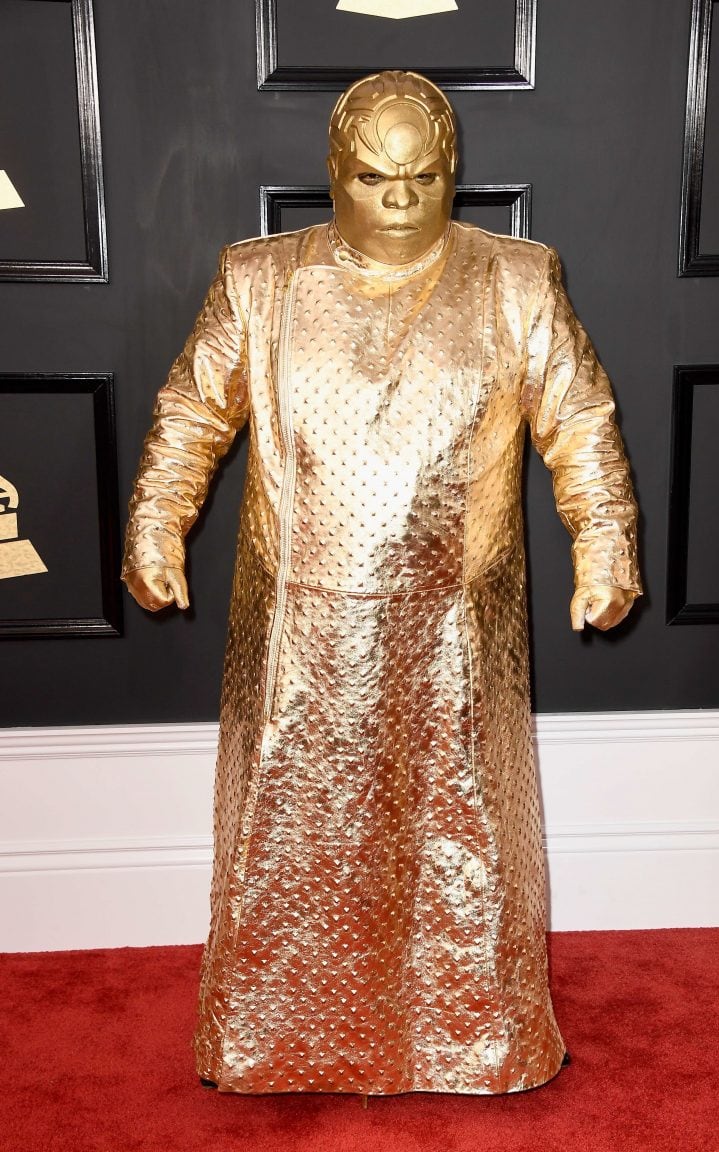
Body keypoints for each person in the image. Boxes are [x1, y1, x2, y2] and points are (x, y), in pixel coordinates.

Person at [123, 70, 641, 1096]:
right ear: (333, 173)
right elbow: (191, 414)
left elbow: (579, 420)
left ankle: (475, 1045)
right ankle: (272, 1046)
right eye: (374, 177)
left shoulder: (516, 279)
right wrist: (154, 523)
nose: (401, 199)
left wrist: (606, 542)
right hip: (297, 629)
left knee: (464, 837)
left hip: (458, 626)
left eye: (426, 176)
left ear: (453, 172)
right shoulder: (259, 281)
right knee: (290, 832)